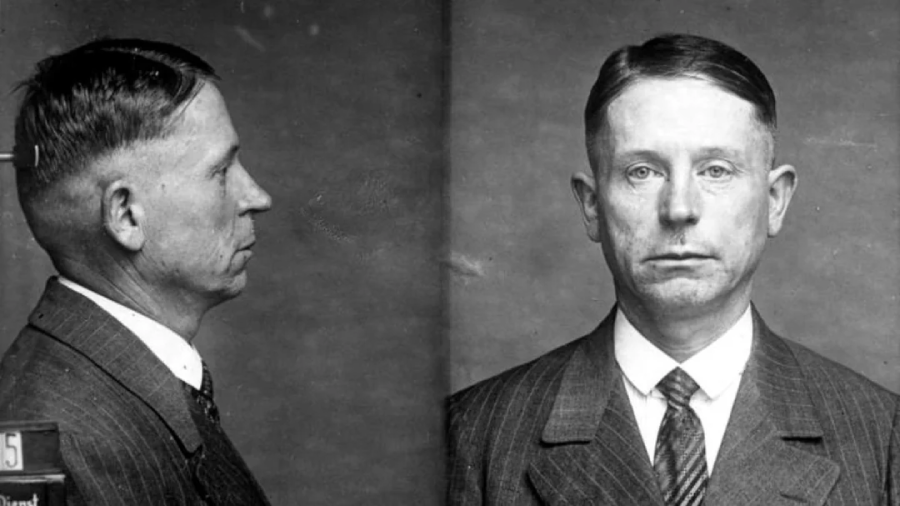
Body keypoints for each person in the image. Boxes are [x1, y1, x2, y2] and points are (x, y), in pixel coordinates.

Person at [447, 33, 899, 505]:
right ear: (592, 205)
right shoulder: (471, 434)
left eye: (716, 170)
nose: (679, 208)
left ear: (774, 201)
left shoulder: (884, 436)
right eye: (642, 171)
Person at [0, 38, 273, 505]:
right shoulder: (48, 439)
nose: (257, 198)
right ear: (126, 215)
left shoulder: (120, 384)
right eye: (221, 171)